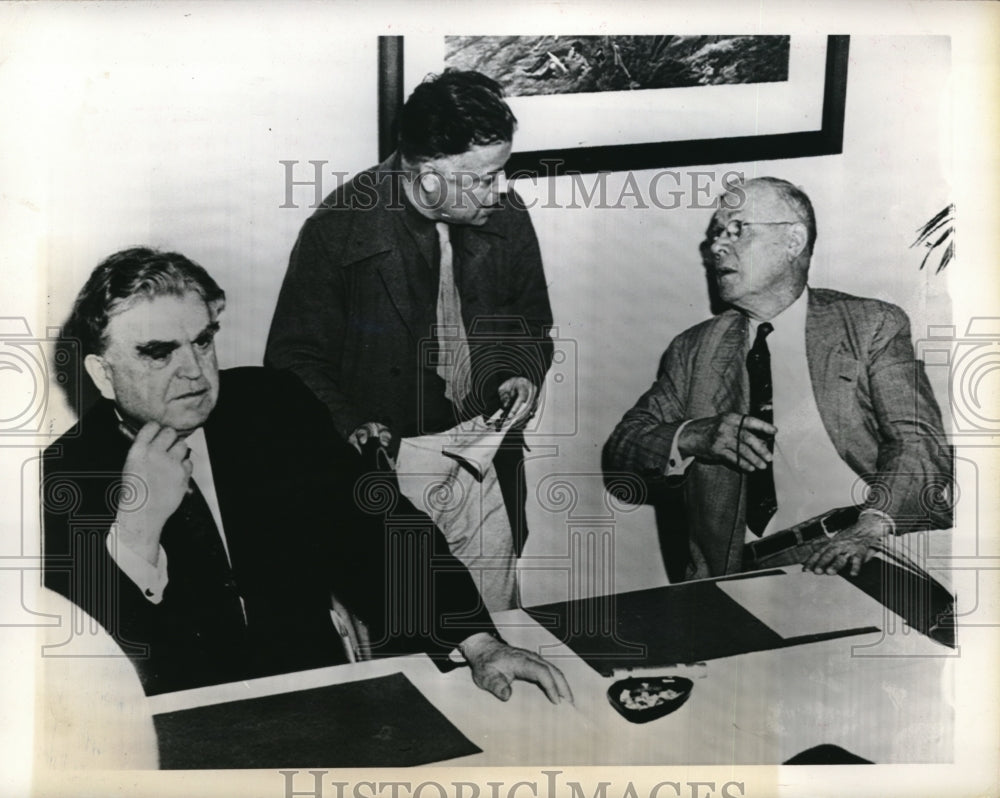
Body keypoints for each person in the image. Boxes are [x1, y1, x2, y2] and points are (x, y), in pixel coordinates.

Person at [43, 247, 571, 705]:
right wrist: (137, 529)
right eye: (159, 353)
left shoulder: (273, 407)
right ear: (102, 374)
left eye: (202, 342)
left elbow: (381, 531)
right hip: (182, 729)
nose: (194, 371)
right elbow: (79, 668)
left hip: (320, 695)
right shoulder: (63, 475)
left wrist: (480, 643)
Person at [265, 69, 554, 610]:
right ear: (426, 178)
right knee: (409, 630)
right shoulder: (338, 229)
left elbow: (533, 323)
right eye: (482, 178)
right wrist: (349, 424)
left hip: (487, 456)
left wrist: (521, 371)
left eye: (500, 172)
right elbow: (293, 359)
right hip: (393, 468)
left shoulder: (506, 218)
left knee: (495, 630)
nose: (500, 190)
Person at [604, 177, 953, 581]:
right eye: (716, 234)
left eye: (737, 230)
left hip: (865, 544)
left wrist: (871, 527)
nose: (716, 247)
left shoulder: (870, 325)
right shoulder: (693, 349)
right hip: (746, 573)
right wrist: (691, 436)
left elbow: (918, 441)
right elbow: (623, 449)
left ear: (793, 242)